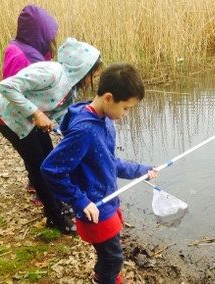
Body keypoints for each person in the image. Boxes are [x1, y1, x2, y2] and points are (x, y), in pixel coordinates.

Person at [41, 63, 158, 283]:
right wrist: (80, 201)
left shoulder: (104, 120)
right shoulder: (85, 130)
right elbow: (51, 170)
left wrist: (141, 170)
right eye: (126, 108)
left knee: (109, 255)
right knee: (113, 258)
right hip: (95, 208)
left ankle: (102, 276)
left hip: (106, 200)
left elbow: (108, 161)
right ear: (108, 98)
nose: (126, 115)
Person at [0, 37, 103, 234]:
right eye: (93, 73)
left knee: (50, 161)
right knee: (38, 167)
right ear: (82, 69)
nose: (93, 78)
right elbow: (5, 87)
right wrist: (36, 113)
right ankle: (55, 216)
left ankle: (60, 201)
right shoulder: (50, 73)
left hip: (32, 122)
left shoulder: (70, 90)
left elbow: (62, 118)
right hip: (10, 121)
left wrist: (81, 138)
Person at [0, 4, 58, 202]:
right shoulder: (18, 54)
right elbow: (10, 93)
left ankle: (37, 183)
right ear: (37, 33)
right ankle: (45, 196)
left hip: (32, 116)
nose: (51, 38)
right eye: (48, 34)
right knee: (37, 158)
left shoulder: (39, 50)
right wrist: (37, 114)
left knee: (44, 152)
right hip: (13, 119)